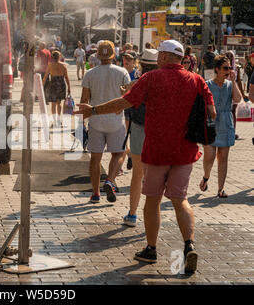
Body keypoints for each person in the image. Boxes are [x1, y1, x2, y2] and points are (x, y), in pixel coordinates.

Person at [74, 40, 216, 274]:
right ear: (180, 59)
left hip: (157, 150)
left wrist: (94, 110)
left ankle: (151, 249)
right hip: (185, 150)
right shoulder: (196, 80)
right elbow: (211, 112)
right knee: (180, 199)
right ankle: (189, 244)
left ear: (162, 57)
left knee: (152, 200)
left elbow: (124, 102)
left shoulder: (151, 79)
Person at [80, 40, 131, 204]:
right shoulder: (122, 72)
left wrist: (81, 122)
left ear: (97, 56)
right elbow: (128, 97)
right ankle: (110, 180)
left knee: (95, 158)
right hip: (116, 119)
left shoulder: (89, 74)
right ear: (113, 55)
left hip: (96, 119)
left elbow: (83, 101)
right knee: (119, 153)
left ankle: (95, 193)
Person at [120, 49, 158, 227]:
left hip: (138, 129)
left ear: (141, 65)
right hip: (159, 130)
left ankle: (133, 214)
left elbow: (126, 102)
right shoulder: (164, 82)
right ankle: (153, 215)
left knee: (137, 174)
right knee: (156, 176)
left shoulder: (135, 83)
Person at [200, 55, 242, 198]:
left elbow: (238, 99)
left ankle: (220, 189)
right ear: (217, 69)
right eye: (225, 68)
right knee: (210, 156)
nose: (228, 70)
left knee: (223, 158)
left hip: (225, 123)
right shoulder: (207, 84)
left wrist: (234, 81)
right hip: (210, 124)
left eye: (230, 67)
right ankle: (206, 177)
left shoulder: (230, 85)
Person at [121, 50, 139, 172]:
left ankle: (133, 157)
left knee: (134, 135)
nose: (126, 61)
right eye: (125, 59)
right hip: (124, 108)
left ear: (134, 62)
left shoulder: (138, 74)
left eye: (129, 59)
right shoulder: (120, 73)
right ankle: (129, 156)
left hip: (136, 108)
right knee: (125, 135)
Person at [43, 51, 71, 127]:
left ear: (52, 57)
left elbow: (45, 76)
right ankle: (59, 120)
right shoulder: (63, 65)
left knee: (53, 104)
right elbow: (66, 77)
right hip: (61, 84)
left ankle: (54, 121)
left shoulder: (50, 65)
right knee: (59, 103)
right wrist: (69, 88)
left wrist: (42, 85)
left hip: (53, 84)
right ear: (59, 57)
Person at [226, 51, 245, 140]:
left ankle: (233, 131)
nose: (229, 57)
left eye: (230, 56)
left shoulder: (236, 68)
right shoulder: (222, 67)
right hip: (224, 91)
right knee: (225, 111)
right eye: (227, 56)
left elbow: (239, 81)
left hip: (233, 90)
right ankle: (225, 131)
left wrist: (243, 93)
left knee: (233, 111)